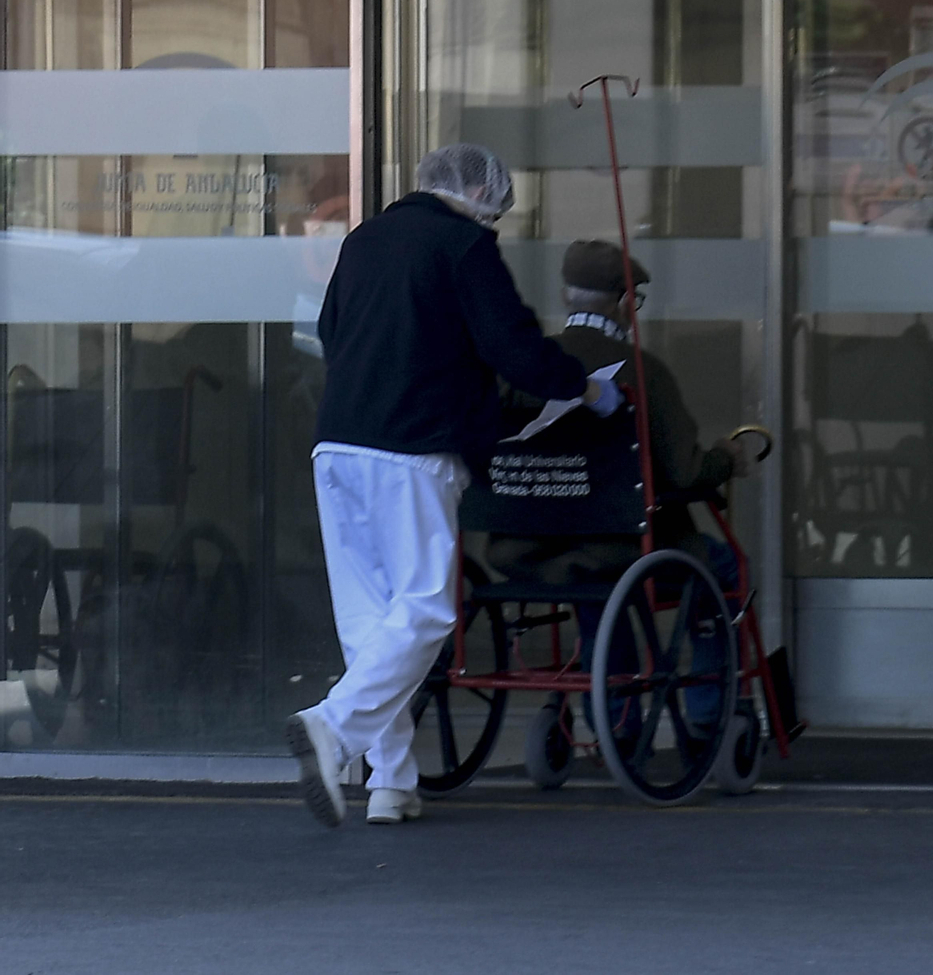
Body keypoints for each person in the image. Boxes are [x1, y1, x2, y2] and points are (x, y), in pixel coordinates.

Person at [287, 145, 623, 829]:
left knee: (370, 620)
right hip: (413, 448)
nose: (495, 218)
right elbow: (513, 348)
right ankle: (333, 727)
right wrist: (586, 387)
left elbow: (328, 330)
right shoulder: (464, 245)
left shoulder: (364, 240)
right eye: (495, 205)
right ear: (474, 190)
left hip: (337, 443)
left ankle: (391, 781)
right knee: (426, 609)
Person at [486, 239, 751, 743]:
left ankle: (618, 717)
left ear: (565, 296)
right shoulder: (642, 371)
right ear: (626, 302)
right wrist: (725, 459)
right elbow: (684, 472)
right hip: (620, 551)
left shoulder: (520, 368)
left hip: (526, 550)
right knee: (726, 567)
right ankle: (707, 709)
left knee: (595, 572)